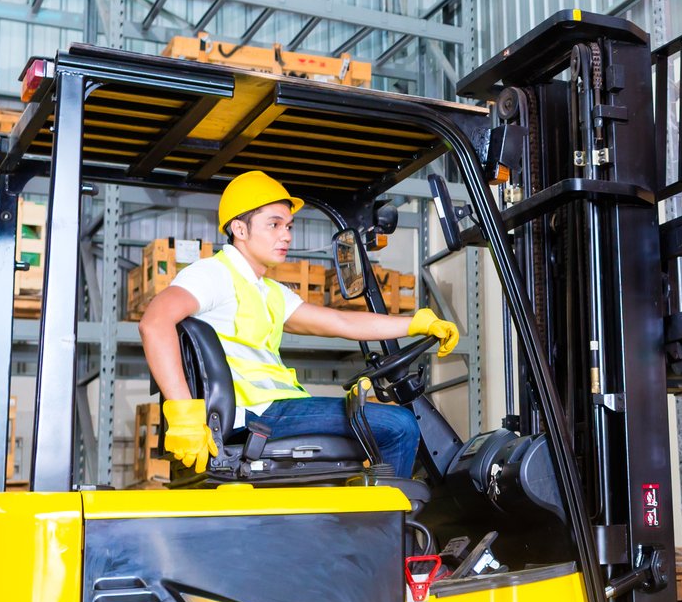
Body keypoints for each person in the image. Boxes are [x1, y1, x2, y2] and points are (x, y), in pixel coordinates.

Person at [139, 170, 458, 477]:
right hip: (258, 414)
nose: (286, 235)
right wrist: (183, 416)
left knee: (376, 434)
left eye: (289, 226)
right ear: (239, 229)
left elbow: (339, 322)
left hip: (276, 409)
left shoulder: (267, 290)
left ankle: (363, 520)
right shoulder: (214, 274)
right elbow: (155, 322)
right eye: (274, 225)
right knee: (399, 426)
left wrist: (416, 323)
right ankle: (387, 527)